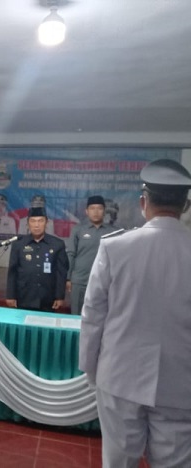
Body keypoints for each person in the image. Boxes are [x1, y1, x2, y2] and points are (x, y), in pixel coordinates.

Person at [79, 159, 191, 468]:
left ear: (143, 203)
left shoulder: (115, 247)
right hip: (181, 382)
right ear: (186, 205)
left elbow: (93, 315)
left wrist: (91, 370)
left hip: (119, 376)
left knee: (118, 461)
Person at [6, 207, 68, 312]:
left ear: (46, 222)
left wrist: (59, 296)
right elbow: (12, 272)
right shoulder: (18, 244)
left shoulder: (57, 244)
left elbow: (61, 273)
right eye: (33, 221)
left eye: (40, 221)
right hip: (24, 296)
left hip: (48, 297)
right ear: (28, 223)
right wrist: (10, 295)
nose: (36, 225)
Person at [65, 195, 116, 315]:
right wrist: (68, 278)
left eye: (99, 208)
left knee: (101, 316)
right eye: (92, 208)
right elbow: (71, 254)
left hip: (104, 282)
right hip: (79, 280)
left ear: (104, 211)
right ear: (86, 211)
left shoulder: (113, 232)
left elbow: (117, 258)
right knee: (76, 316)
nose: (96, 212)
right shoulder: (78, 230)